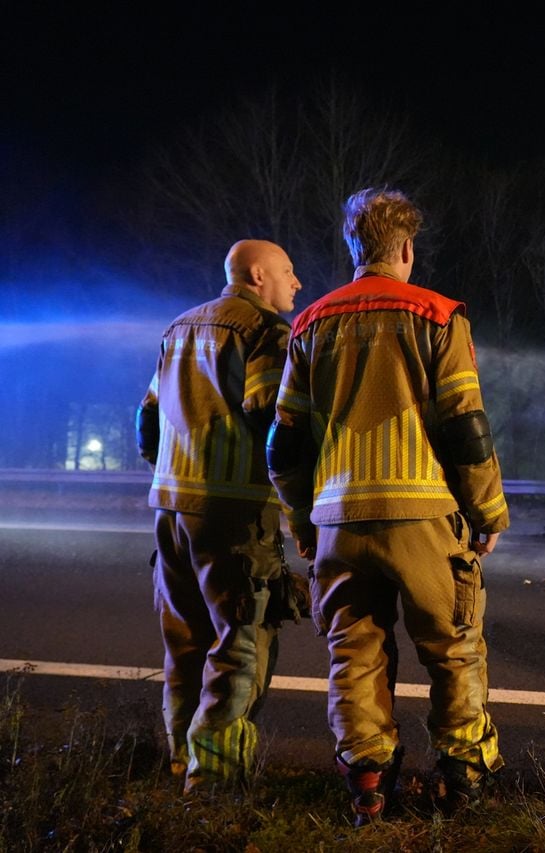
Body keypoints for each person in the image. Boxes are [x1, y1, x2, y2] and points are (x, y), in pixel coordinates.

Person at [267, 187, 509, 825]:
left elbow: (284, 444)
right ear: (405, 248)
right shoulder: (437, 315)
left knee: (355, 652)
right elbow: (465, 426)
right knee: (453, 648)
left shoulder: (310, 322)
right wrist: (487, 510)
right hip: (424, 518)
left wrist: (302, 520)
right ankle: (460, 781)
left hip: (338, 523)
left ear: (354, 248)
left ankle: (368, 786)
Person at [136, 239, 303, 793]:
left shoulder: (178, 328)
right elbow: (271, 421)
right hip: (231, 516)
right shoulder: (265, 333)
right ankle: (214, 783)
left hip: (170, 511)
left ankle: (180, 761)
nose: (296, 283)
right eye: (287, 271)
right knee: (240, 646)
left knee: (184, 644)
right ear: (257, 276)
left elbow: (147, 426)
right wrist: (300, 498)